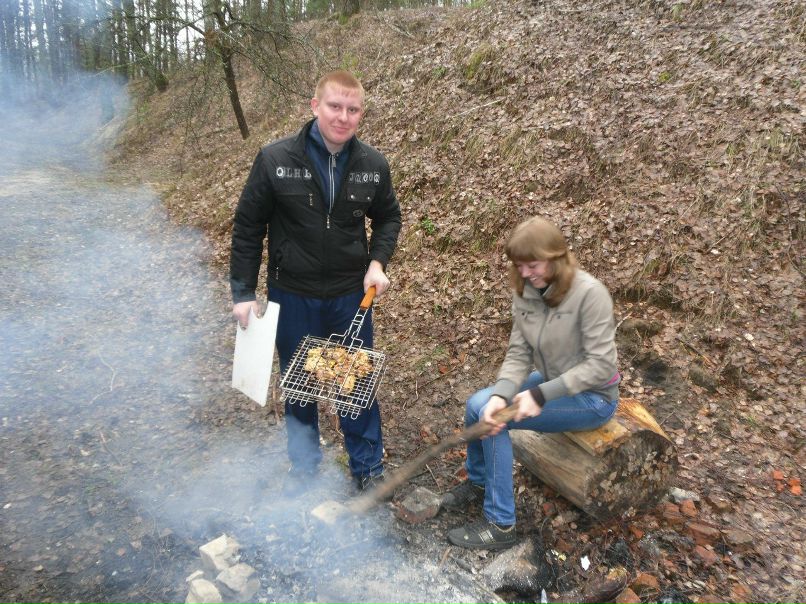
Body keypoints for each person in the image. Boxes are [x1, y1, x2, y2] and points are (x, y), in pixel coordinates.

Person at [230, 70, 401, 494]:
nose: (343, 117)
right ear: (315, 106)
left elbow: (388, 218)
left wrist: (377, 262)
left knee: (354, 386)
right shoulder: (275, 160)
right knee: (300, 385)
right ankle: (304, 469)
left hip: (349, 298)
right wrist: (243, 293)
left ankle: (367, 470)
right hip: (294, 296)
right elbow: (248, 227)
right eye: (334, 107)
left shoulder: (371, 165)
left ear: (361, 113)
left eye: (353, 109)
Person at [444, 216, 620, 550]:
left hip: (593, 397)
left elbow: (601, 365)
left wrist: (541, 394)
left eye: (532, 265)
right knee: (479, 406)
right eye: (519, 266)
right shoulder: (526, 292)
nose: (524, 273)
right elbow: (518, 352)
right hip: (553, 380)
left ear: (556, 257)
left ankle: (500, 525)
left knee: (497, 425)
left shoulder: (590, 294)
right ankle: (479, 483)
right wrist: (502, 393)